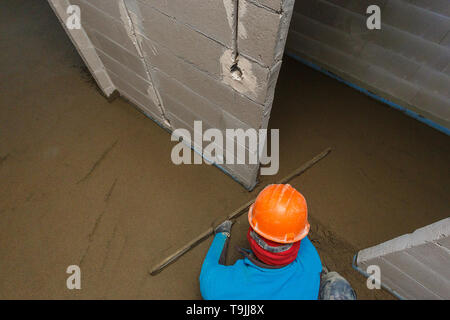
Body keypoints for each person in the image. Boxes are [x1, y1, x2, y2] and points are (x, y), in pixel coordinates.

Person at [199, 184, 356, 300]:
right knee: (337, 288)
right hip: (306, 285)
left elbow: (210, 269)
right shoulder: (310, 256)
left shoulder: (219, 287)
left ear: (252, 236)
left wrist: (223, 233)